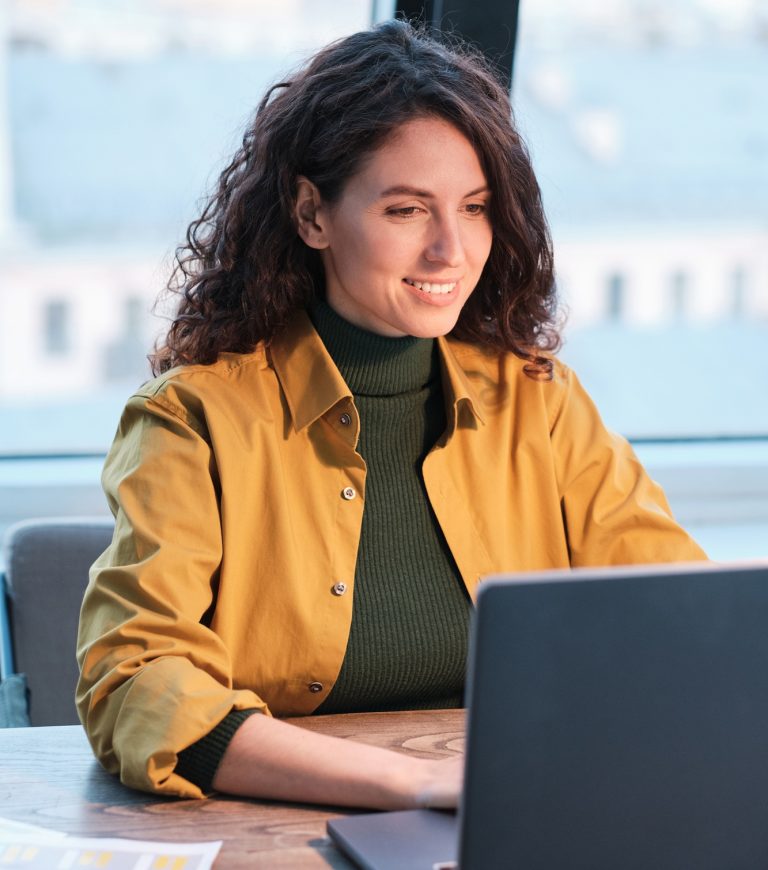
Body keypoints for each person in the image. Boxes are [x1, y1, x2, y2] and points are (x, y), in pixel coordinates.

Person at [76, 20, 706, 810]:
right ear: (312, 215)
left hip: (512, 808)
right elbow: (134, 683)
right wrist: (412, 785)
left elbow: (687, 620)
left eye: (474, 208)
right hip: (286, 825)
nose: (451, 249)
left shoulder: (540, 402)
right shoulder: (191, 420)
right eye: (407, 211)